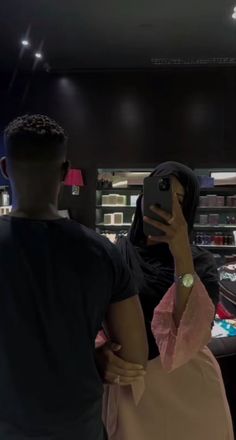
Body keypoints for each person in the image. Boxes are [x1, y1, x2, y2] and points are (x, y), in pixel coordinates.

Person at [0, 114, 148, 440]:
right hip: (77, 428)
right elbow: (135, 357)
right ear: (65, 173)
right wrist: (95, 356)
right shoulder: (102, 252)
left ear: (5, 168)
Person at [97, 162, 234, 440]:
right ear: (141, 198)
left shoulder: (199, 262)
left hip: (191, 389)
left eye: (179, 200)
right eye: (159, 193)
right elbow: (94, 317)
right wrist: (100, 351)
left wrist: (182, 255)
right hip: (132, 391)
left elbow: (193, 331)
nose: (165, 206)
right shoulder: (116, 254)